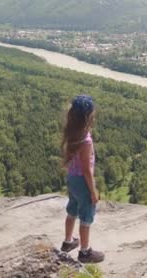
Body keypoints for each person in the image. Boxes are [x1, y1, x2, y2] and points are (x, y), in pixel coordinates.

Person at [60, 94, 105, 263]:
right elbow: (86, 169)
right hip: (82, 181)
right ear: (88, 116)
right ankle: (85, 252)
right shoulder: (85, 140)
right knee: (86, 217)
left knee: (72, 210)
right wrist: (93, 191)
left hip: (72, 178)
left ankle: (68, 242)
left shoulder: (72, 133)